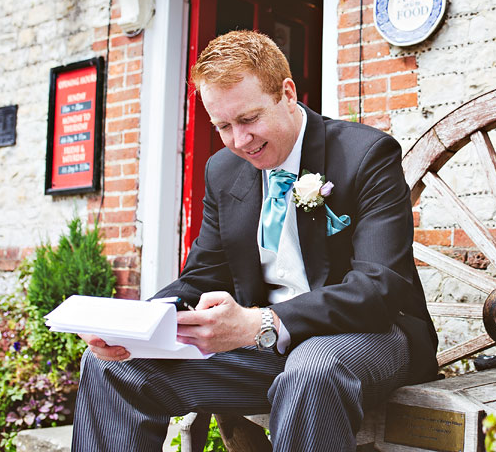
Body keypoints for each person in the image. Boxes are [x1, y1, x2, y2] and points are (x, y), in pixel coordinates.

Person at [72, 30, 439, 452]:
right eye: (223, 126)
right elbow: (201, 276)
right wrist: (141, 327)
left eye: (248, 120)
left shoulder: (366, 154)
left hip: (371, 338)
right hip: (261, 351)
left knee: (312, 368)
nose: (239, 141)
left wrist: (262, 323)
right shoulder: (223, 170)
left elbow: (379, 288)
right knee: (111, 368)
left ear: (287, 93)